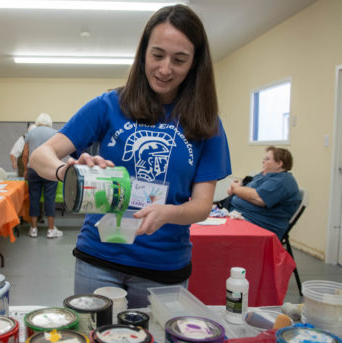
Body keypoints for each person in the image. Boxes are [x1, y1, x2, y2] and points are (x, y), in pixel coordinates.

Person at [29, 5, 231, 308]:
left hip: (164, 266)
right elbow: (40, 156)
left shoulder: (206, 122)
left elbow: (202, 205)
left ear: (195, 64)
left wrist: (169, 214)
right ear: (143, 54)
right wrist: (67, 171)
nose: (165, 69)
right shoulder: (109, 105)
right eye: (157, 55)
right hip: (99, 258)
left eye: (179, 60)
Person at [226, 146, 301, 240]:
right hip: (238, 214)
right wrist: (237, 189)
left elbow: (259, 198)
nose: (263, 161)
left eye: (267, 159)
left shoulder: (282, 181)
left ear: (279, 163)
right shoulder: (263, 175)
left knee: (213, 232)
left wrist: (236, 189)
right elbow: (245, 190)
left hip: (258, 224)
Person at [22, 113, 63, 239]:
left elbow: (25, 154)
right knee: (49, 199)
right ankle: (51, 230)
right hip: (49, 170)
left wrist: (25, 169)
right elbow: (58, 153)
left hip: (33, 169)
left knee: (34, 198)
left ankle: (33, 229)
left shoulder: (30, 133)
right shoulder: (55, 133)